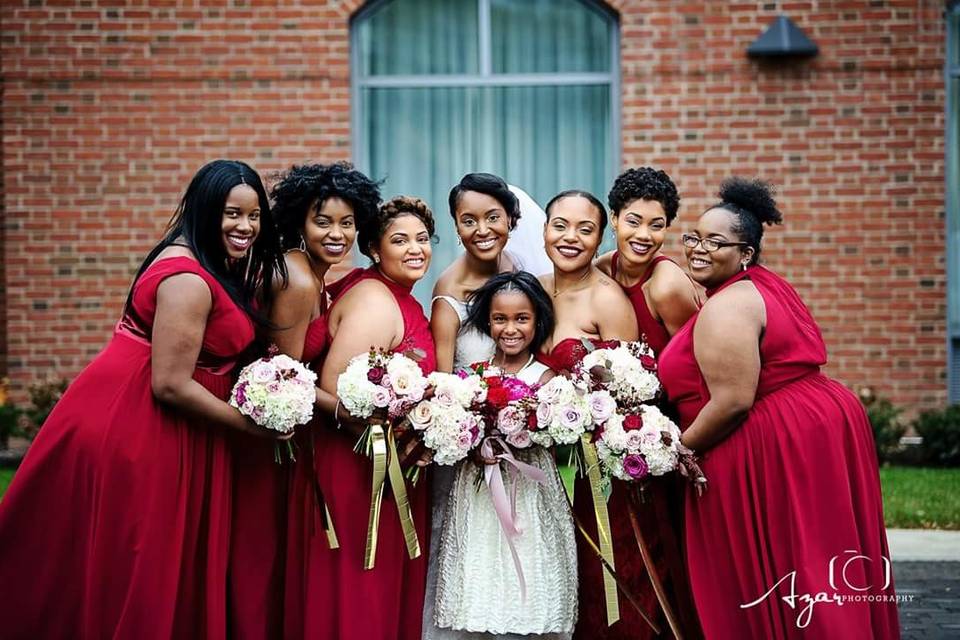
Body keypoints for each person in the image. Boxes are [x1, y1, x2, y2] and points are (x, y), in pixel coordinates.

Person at [0, 159, 287, 639]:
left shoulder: (209, 262)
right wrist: (252, 426)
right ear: (202, 211)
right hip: (139, 424)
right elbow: (170, 384)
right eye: (231, 214)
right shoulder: (189, 279)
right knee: (141, 560)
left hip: (154, 417)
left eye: (254, 215)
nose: (246, 226)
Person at [658, 178, 900, 638]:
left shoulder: (726, 306)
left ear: (745, 252)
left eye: (716, 241)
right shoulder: (766, 285)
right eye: (693, 237)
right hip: (815, 424)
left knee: (788, 565)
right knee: (819, 557)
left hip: (770, 440)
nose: (699, 249)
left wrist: (674, 451)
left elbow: (731, 402)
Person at [229, 162, 381, 639]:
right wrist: (344, 411)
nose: (337, 234)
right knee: (261, 555)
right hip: (267, 441)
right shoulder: (296, 280)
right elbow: (285, 375)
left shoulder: (314, 274)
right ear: (299, 222)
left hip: (288, 439)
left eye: (348, 223)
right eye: (323, 222)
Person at [299, 195, 437, 640]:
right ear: (375, 249)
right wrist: (396, 431)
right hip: (362, 468)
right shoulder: (376, 300)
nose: (415, 248)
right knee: (362, 584)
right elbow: (334, 387)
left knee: (380, 583)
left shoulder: (398, 295)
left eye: (422, 238)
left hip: (387, 464)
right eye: (400, 240)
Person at [590, 167, 704, 640]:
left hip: (670, 427)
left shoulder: (667, 284)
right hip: (615, 431)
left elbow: (701, 364)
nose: (645, 235)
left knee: (663, 547)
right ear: (614, 218)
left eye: (657, 225)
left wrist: (685, 440)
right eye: (634, 220)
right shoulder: (599, 271)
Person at [433, 271, 578, 637]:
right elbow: (460, 434)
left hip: (527, 493)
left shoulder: (546, 380)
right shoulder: (474, 378)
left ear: (538, 321)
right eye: (500, 319)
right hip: (479, 491)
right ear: (487, 321)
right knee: (481, 575)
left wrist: (529, 429)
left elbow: (558, 439)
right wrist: (472, 447)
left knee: (527, 573)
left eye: (521, 319)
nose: (510, 328)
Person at [423, 173, 523, 640]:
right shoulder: (450, 293)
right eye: (468, 220)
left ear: (511, 219)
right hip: (471, 453)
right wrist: (474, 433)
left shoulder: (520, 268)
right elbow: (442, 385)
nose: (481, 229)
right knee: (470, 560)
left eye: (492, 217)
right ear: (456, 227)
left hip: (523, 445)